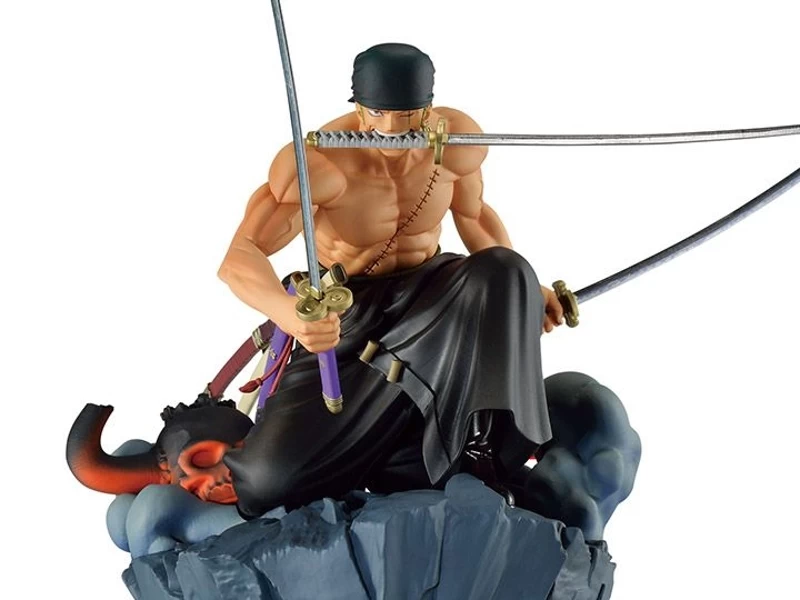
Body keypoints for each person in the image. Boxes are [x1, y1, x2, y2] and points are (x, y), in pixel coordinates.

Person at [218, 42, 568, 520]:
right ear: (358, 107)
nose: (391, 129)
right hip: (347, 311)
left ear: (427, 107)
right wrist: (293, 317)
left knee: (507, 271)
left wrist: (525, 294)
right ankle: (395, 465)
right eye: (378, 113)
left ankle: (477, 456)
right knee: (267, 483)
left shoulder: (455, 143)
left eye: (406, 115)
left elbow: (476, 218)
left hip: (431, 292)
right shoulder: (319, 163)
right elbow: (239, 258)